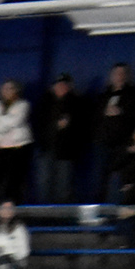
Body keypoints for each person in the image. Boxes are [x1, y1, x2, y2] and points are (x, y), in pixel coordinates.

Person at [94, 63, 135, 200]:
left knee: (123, 178)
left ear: (127, 76)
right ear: (111, 76)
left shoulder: (134, 95)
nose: (119, 76)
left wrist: (121, 112)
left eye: (122, 73)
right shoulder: (103, 97)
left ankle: (122, 207)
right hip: (103, 144)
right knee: (100, 178)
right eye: (117, 73)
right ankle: (100, 206)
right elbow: (94, 118)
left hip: (123, 143)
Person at [38, 73, 88, 203]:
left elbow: (82, 127)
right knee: (44, 182)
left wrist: (68, 126)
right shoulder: (46, 101)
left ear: (70, 87)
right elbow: (39, 124)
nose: (61, 87)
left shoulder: (77, 103)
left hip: (66, 152)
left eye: (64, 85)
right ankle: (44, 211)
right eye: (58, 85)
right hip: (47, 148)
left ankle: (60, 212)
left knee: (63, 184)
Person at [0, 79, 32, 203]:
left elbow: (15, 121)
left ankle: (13, 206)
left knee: (15, 181)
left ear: (16, 91)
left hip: (18, 148)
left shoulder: (23, 105)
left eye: (11, 89)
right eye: (5, 89)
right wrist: (2, 127)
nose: (7, 92)